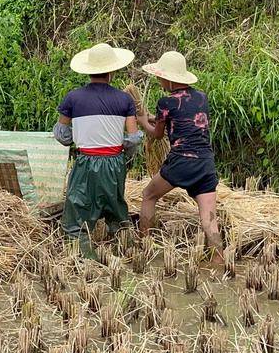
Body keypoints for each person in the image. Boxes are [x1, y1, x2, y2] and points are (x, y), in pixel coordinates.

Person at [54, 43, 143, 254]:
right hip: (114, 162)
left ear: (89, 70)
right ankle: (128, 251)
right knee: (116, 208)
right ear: (111, 71)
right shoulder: (125, 99)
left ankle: (85, 261)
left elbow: (61, 133)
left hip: (86, 162)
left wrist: (74, 143)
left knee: (78, 210)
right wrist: (124, 158)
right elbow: (133, 138)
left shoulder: (73, 98)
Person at [136, 51, 224, 264]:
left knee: (148, 195)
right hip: (205, 163)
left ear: (168, 79)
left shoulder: (166, 101)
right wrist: (154, 118)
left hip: (181, 162)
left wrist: (140, 120)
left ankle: (144, 246)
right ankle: (219, 263)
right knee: (209, 220)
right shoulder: (202, 97)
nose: (159, 80)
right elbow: (183, 119)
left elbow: (157, 134)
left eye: (160, 77)